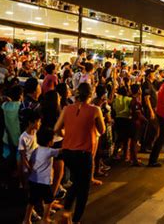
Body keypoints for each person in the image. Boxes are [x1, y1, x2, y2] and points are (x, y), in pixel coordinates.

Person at [54, 83, 105, 224]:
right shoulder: (95, 110)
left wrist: (66, 135)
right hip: (84, 153)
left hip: (68, 152)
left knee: (76, 182)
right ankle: (75, 219)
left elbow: (56, 128)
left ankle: (66, 213)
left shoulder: (67, 109)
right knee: (83, 188)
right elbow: (102, 130)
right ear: (90, 94)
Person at [23, 128, 61, 224]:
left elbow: (31, 161)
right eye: (52, 139)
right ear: (49, 142)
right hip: (44, 181)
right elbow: (61, 151)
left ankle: (26, 220)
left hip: (34, 179)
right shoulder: (50, 151)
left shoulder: (35, 150)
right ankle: (45, 219)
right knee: (49, 200)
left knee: (31, 201)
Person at [18, 109, 41, 186]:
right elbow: (23, 156)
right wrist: (29, 168)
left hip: (35, 163)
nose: (40, 124)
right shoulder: (23, 137)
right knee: (27, 183)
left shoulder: (35, 132)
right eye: (38, 121)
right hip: (27, 165)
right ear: (30, 122)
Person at [112, 86, 132, 161]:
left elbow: (113, 108)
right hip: (126, 119)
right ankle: (126, 155)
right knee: (126, 139)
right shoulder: (129, 99)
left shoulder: (116, 100)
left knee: (119, 138)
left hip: (118, 119)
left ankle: (115, 153)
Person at [140, 69, 157, 153]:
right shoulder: (146, 84)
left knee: (153, 128)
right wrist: (151, 110)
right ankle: (145, 146)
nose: (155, 75)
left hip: (152, 108)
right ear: (149, 75)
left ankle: (148, 145)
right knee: (150, 128)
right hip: (149, 109)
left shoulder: (150, 84)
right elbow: (146, 98)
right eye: (153, 74)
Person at [129, 84, 146, 166]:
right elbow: (138, 113)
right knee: (134, 142)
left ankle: (133, 158)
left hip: (136, 123)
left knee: (134, 141)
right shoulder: (135, 101)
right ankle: (134, 160)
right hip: (136, 123)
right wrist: (146, 120)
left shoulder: (136, 99)